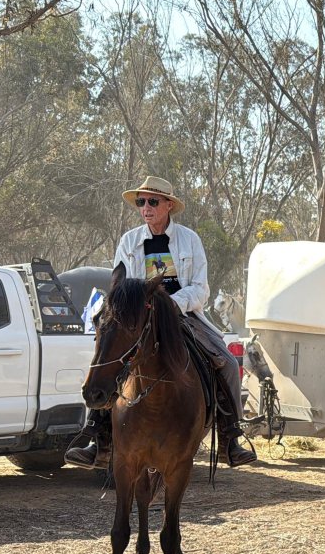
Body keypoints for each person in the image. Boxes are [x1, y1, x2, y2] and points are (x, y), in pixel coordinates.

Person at [65, 177, 257, 469]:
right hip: (139, 317)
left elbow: (200, 288)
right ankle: (98, 439)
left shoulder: (190, 239)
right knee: (109, 357)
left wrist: (169, 305)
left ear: (169, 205)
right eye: (141, 202)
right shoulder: (128, 241)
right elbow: (120, 284)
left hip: (183, 314)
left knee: (227, 362)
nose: (146, 207)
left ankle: (230, 438)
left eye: (152, 201)